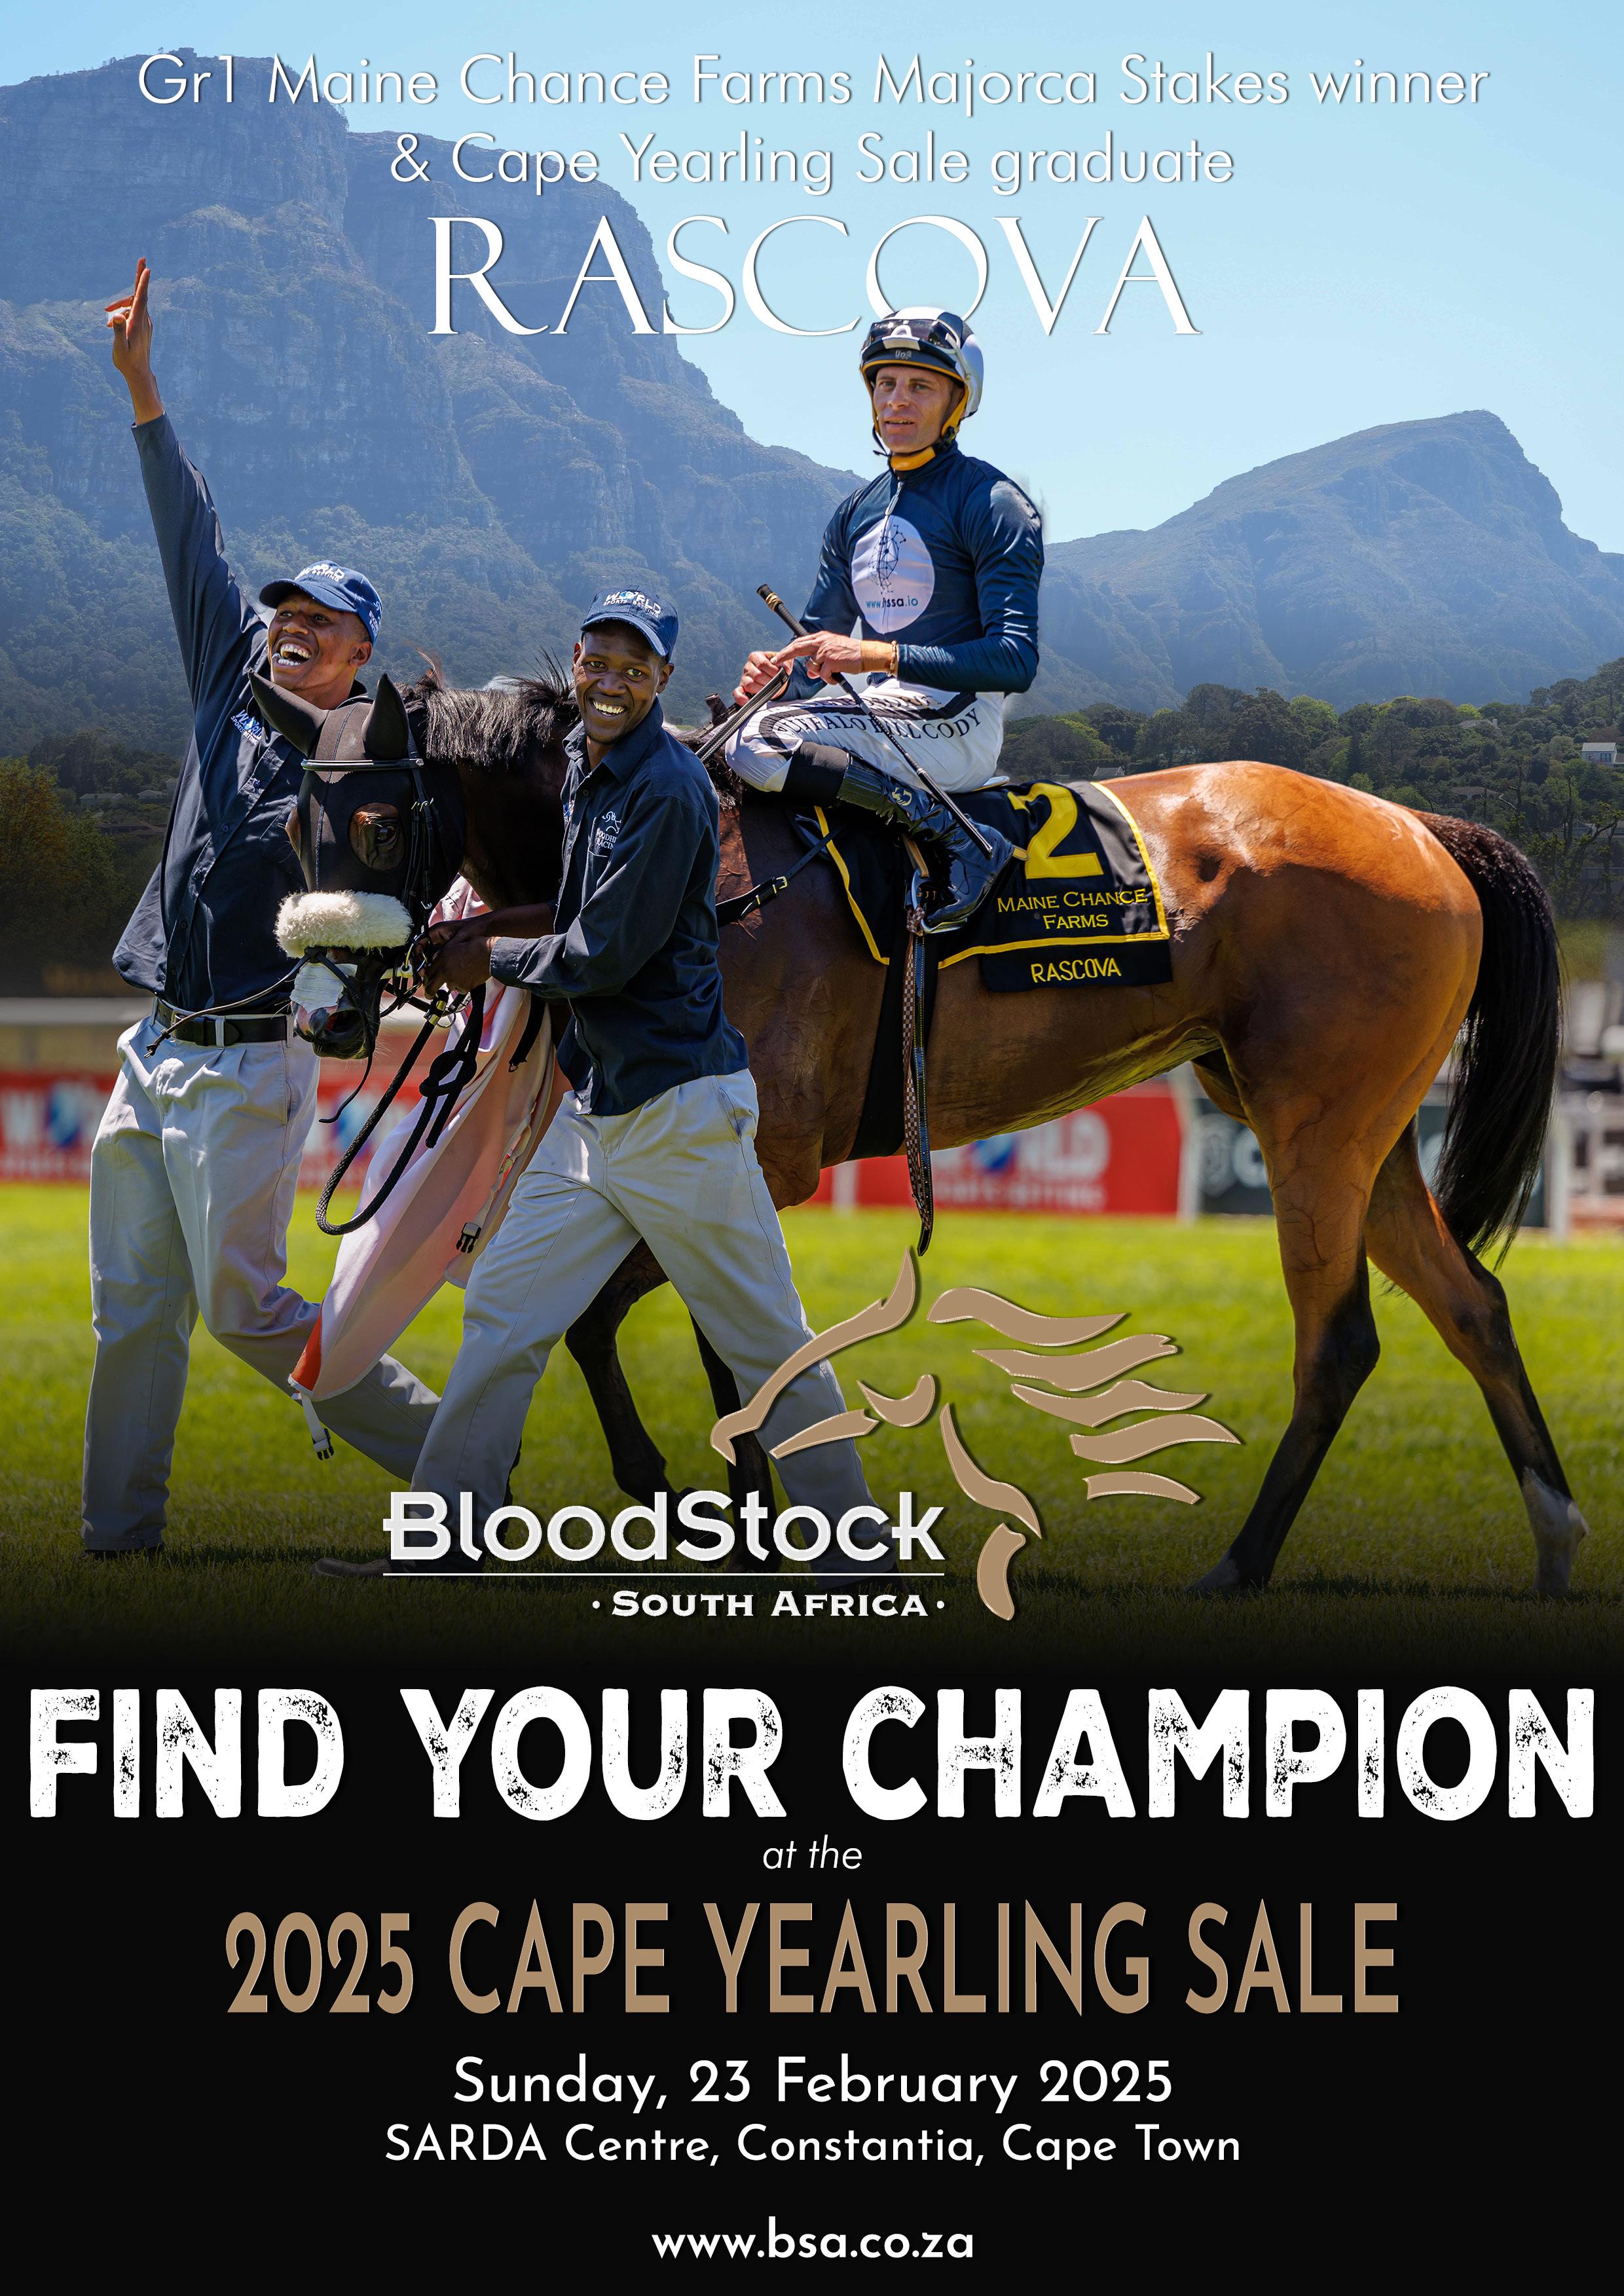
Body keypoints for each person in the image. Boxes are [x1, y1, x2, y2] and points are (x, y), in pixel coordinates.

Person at [317, 591, 895, 1579]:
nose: (612, 681)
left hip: (679, 1117)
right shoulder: (588, 768)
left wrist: (486, 958)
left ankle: (863, 1558)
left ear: (662, 678)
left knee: (765, 1341)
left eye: (635, 667)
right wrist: (474, 932)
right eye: (598, 662)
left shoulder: (668, 787)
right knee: (503, 1314)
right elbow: (572, 910)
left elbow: (604, 954)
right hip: (596, 1116)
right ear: (575, 665)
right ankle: (446, 1541)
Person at [81, 259, 440, 1558]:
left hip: (249, 1063)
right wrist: (142, 388)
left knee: (242, 1312)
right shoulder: (229, 674)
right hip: (153, 1048)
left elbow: (398, 908)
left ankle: (458, 1459)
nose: (292, 625)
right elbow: (191, 533)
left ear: (360, 655)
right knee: (132, 1307)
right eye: (287, 609)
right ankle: (118, 1538)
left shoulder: (371, 770)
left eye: (322, 621)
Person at [726, 308, 1044, 930]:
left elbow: (1015, 660)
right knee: (722, 737)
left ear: (957, 403)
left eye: (920, 386)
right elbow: (816, 652)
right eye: (885, 383)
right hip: (884, 712)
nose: (896, 401)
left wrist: (877, 656)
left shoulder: (994, 502)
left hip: (956, 723)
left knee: (757, 742)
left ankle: (963, 840)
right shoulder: (854, 513)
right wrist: (776, 679)